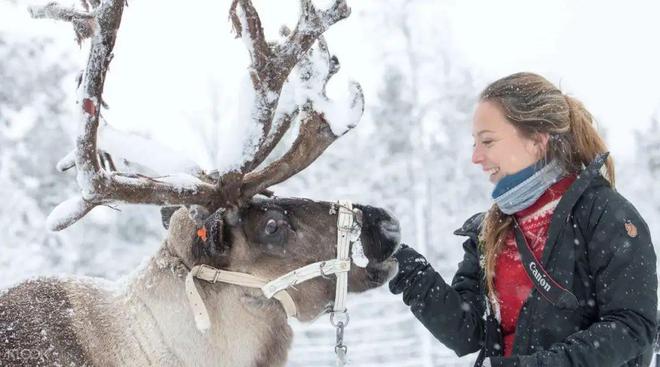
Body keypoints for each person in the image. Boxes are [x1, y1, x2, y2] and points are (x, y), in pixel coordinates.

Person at [389, 72, 657, 367]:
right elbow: (467, 332)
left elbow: (632, 327)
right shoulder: (490, 229)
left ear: (537, 141)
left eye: (487, 141)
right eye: (474, 144)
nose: (476, 157)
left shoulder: (606, 216)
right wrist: (398, 263)